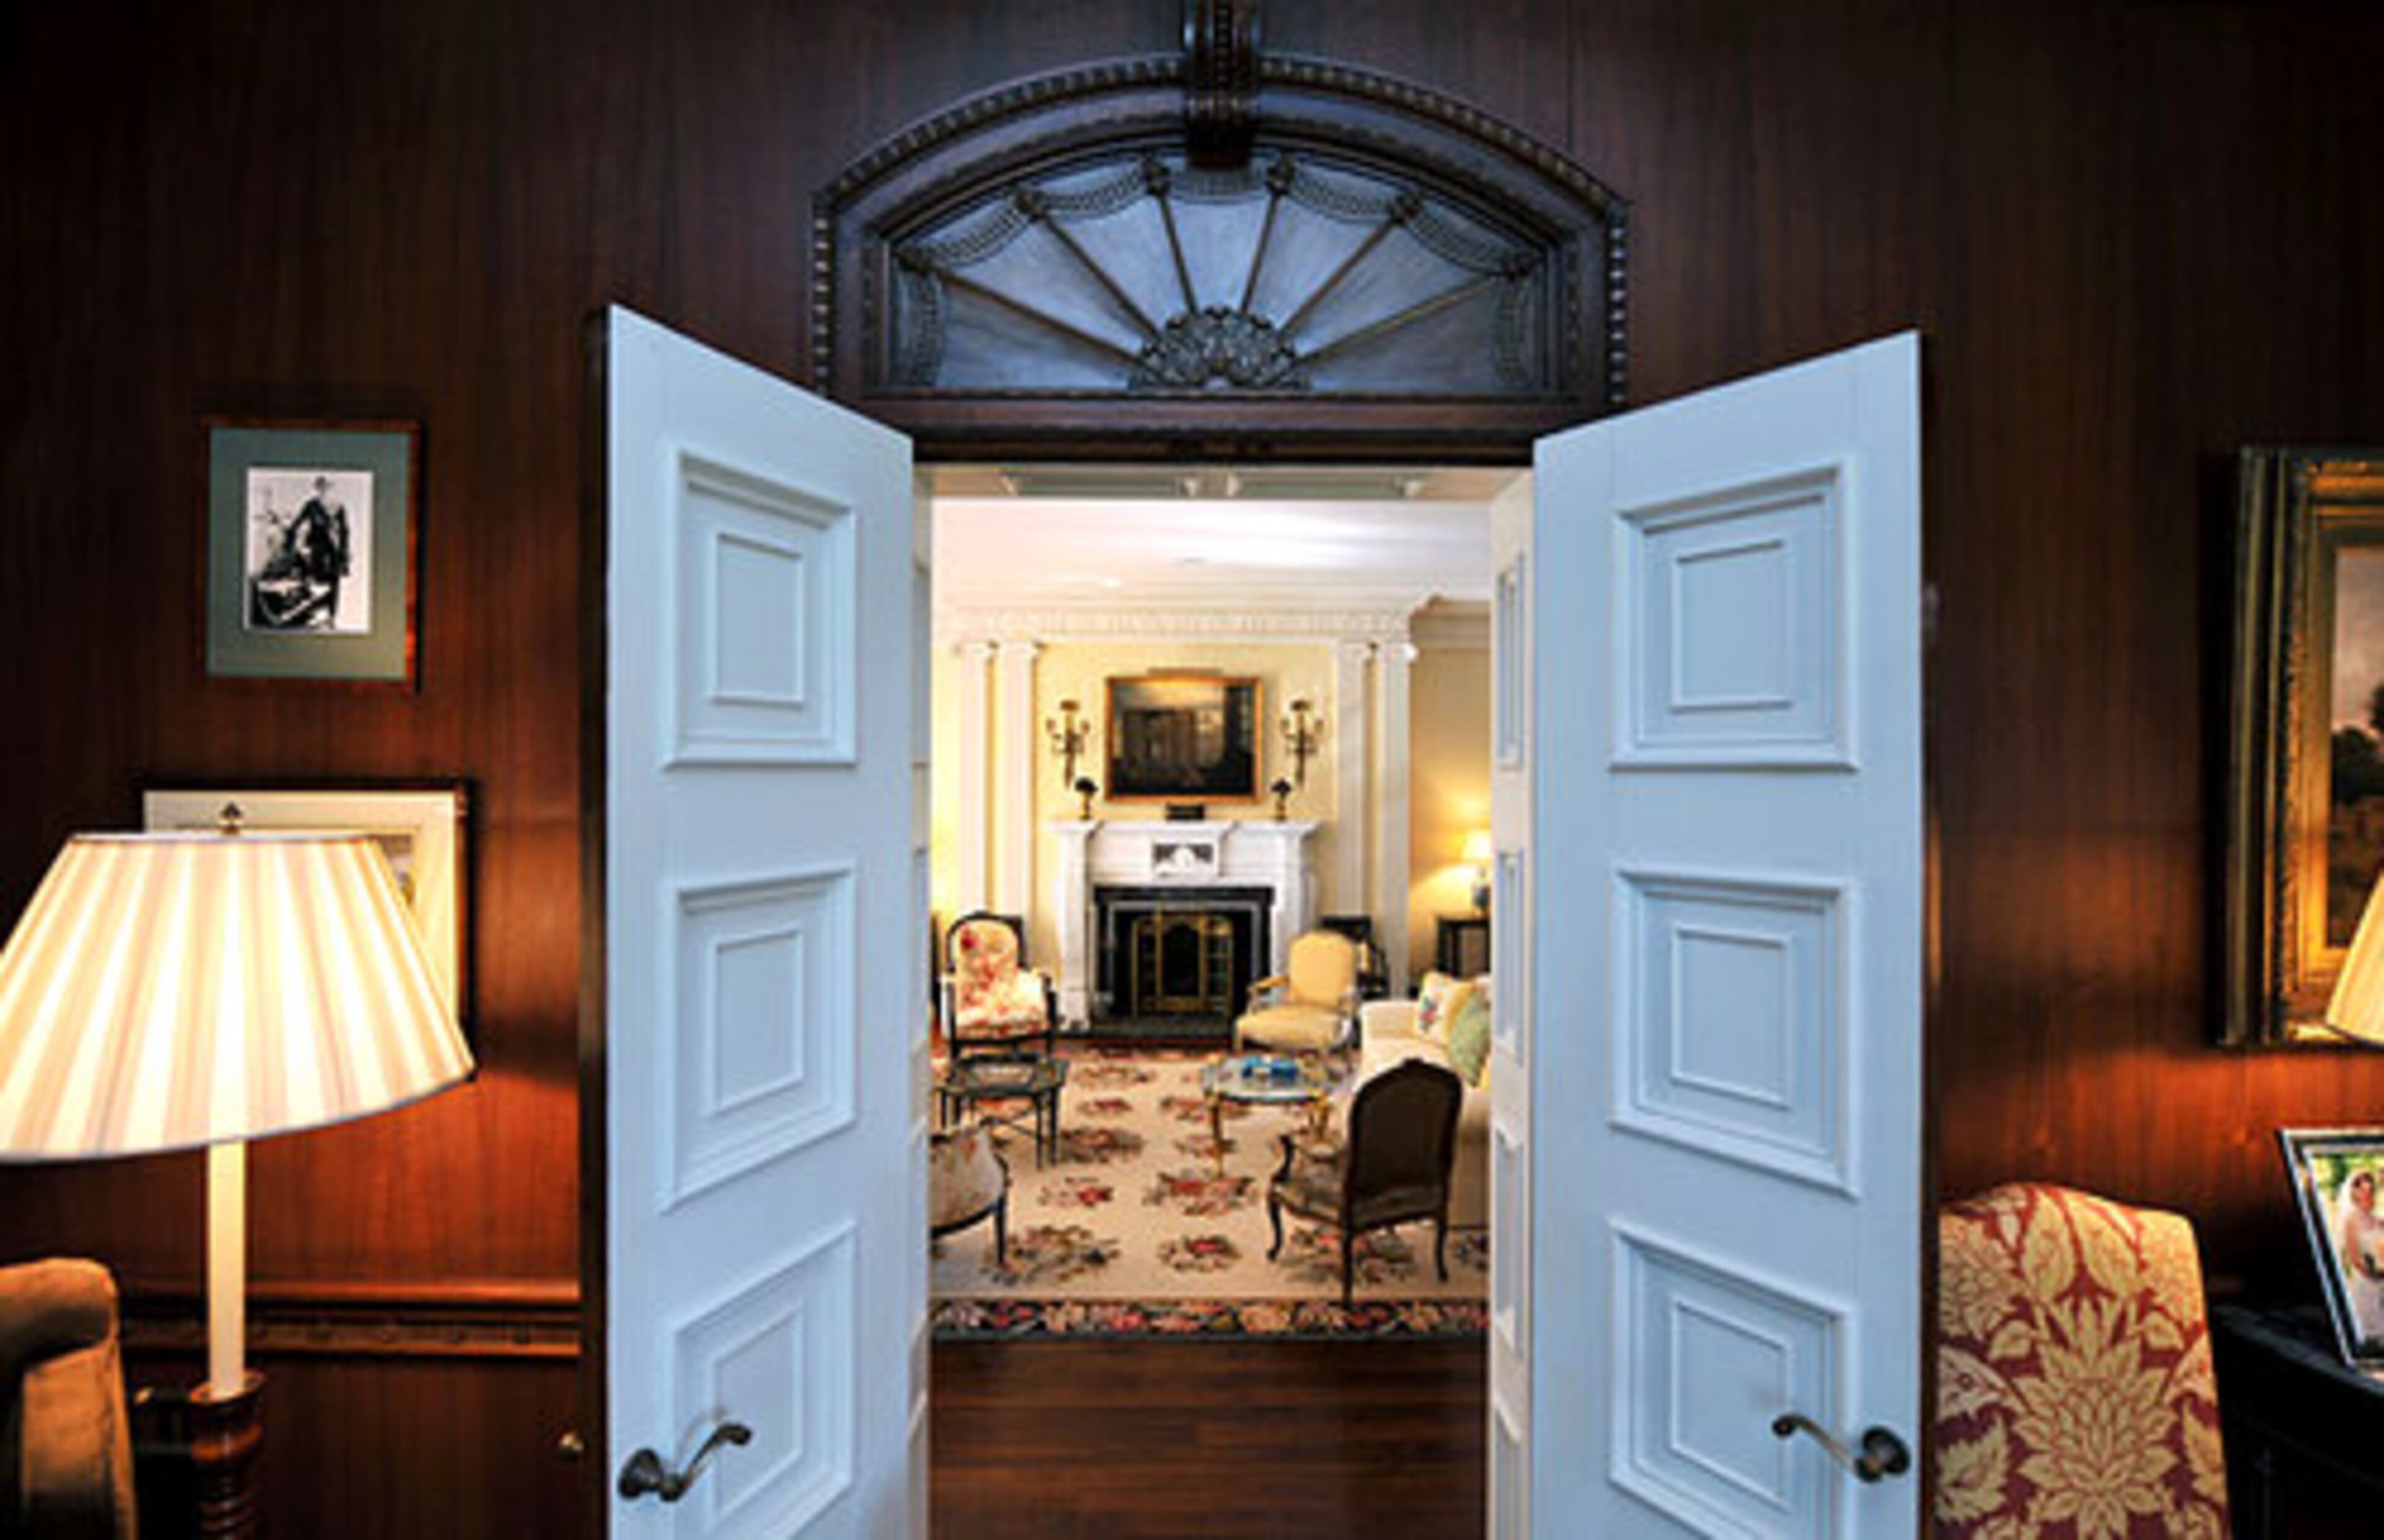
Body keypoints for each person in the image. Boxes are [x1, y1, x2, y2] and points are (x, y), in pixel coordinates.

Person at [286, 474, 352, 629]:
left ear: (330, 489)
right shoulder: (312, 505)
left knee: (333, 583)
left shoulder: (338, 506)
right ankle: (317, 614)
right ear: (318, 489)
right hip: (320, 550)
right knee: (316, 580)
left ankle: (331, 617)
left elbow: (345, 530)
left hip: (333, 551)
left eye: (326, 488)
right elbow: (297, 523)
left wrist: (344, 551)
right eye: (320, 488)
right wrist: (291, 540)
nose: (323, 491)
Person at [2336, 1168, 2384, 1346]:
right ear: (2354, 1193)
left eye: (2370, 1191)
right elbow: (2354, 1257)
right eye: (2362, 1191)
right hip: (2365, 1279)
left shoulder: (2378, 1219)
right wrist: (2373, 1275)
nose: (2367, 1195)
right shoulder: (2351, 1220)